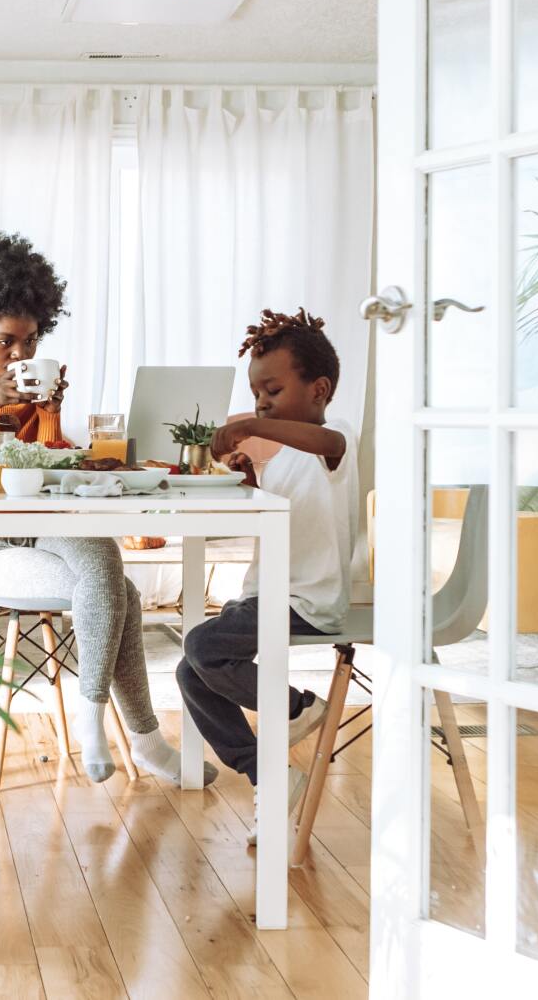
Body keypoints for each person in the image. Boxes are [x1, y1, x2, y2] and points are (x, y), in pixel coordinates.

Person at [0, 224, 194, 785]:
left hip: (38, 528)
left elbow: (42, 468)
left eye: (30, 341)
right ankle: (136, 738)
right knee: (118, 589)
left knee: (105, 560)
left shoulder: (32, 385)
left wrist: (51, 412)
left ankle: (96, 722)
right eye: (5, 341)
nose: (20, 354)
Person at [174, 308, 367, 841]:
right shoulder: (284, 459)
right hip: (264, 594)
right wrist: (250, 476)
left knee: (204, 648)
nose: (261, 403)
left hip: (306, 600)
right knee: (191, 671)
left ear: (320, 390)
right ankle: (269, 774)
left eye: (273, 391)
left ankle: (299, 708)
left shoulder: (336, 439)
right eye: (257, 394)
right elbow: (276, 513)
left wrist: (253, 426)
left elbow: (326, 449)